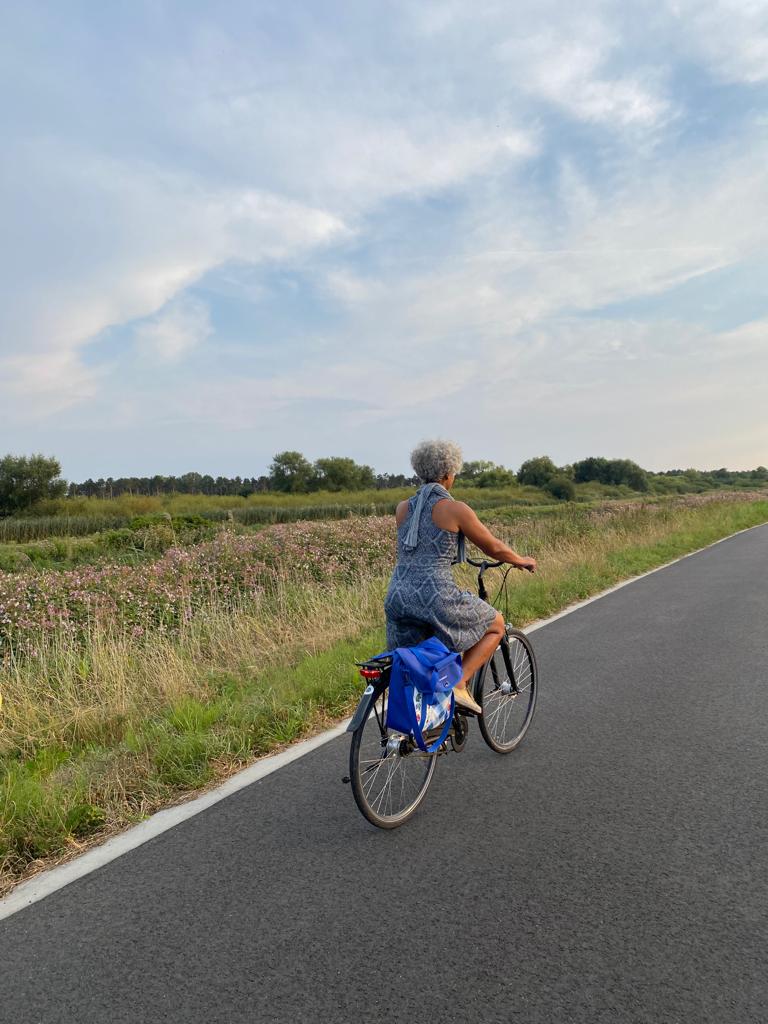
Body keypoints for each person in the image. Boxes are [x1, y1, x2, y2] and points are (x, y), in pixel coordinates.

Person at [385, 439, 536, 715]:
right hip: (434, 596)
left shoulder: (403, 508)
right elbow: (493, 547)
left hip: (397, 596)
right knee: (496, 624)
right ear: (447, 474)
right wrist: (520, 560)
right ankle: (458, 683)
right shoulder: (455, 509)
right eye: (453, 472)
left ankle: (426, 721)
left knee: (415, 660)